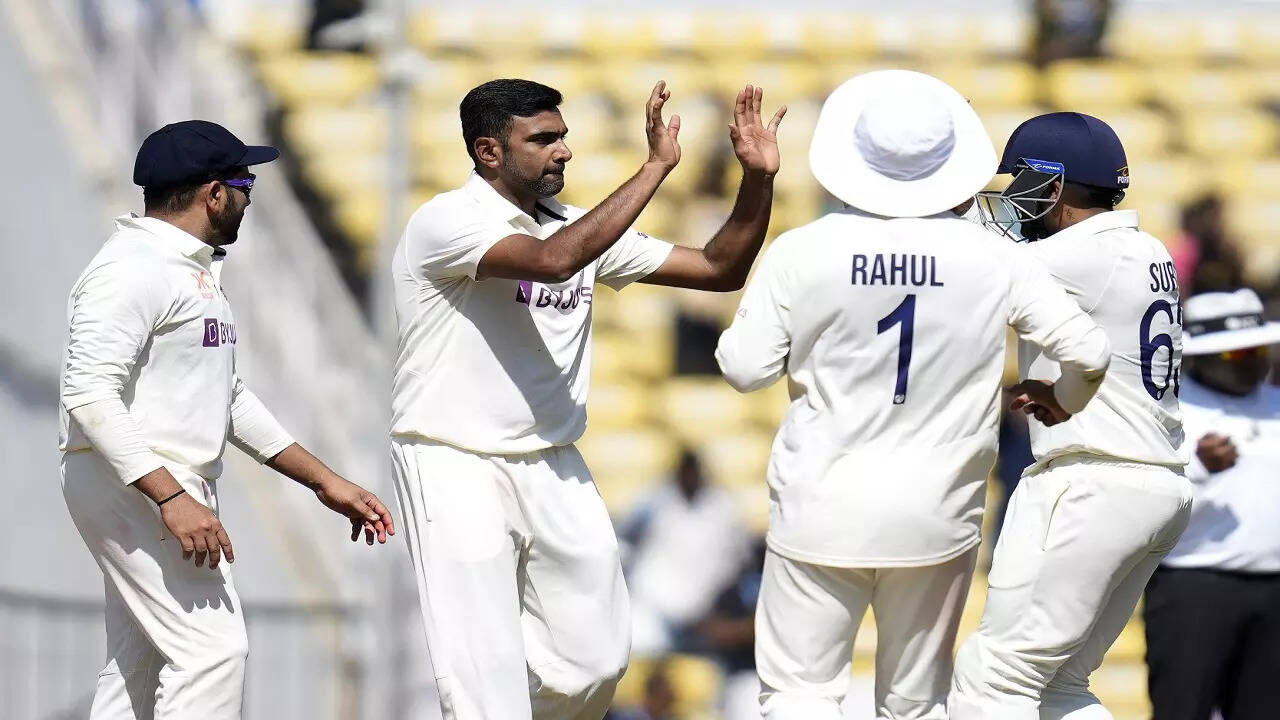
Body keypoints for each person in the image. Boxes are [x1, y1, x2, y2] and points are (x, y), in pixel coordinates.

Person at [714, 69, 1112, 720]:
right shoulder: (994, 256)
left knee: (798, 695)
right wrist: (1062, 399)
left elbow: (743, 369)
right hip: (939, 513)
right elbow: (1090, 353)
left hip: (820, 504)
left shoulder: (802, 249)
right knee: (918, 704)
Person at [387, 78, 785, 720]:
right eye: (543, 139)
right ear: (489, 151)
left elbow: (719, 269)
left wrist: (758, 180)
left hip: (553, 457)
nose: (564, 150)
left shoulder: (577, 227)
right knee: (484, 669)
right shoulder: (446, 220)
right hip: (453, 455)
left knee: (594, 664)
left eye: (564, 135)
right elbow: (552, 262)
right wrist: (655, 168)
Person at [59, 120, 396, 720]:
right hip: (142, 483)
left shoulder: (186, 269)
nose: (248, 198)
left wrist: (324, 481)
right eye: (245, 184)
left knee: (140, 664)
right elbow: (87, 394)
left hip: (152, 483)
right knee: (212, 652)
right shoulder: (133, 269)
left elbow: (227, 396)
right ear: (215, 193)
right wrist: (171, 498)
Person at [952, 112, 1192, 719]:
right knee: (1059, 688)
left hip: (1093, 479)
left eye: (1022, 182)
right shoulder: (1147, 248)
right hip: (1155, 482)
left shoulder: (1076, 255)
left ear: (1054, 185)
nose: (1012, 198)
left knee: (995, 680)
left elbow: (963, 266)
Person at [1143, 289, 1280, 720]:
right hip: (1194, 586)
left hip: (1274, 588)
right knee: (1184, 708)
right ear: (1200, 357)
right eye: (1233, 354)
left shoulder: (1276, 404)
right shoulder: (1168, 413)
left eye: (1257, 351)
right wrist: (1199, 468)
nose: (1251, 363)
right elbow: (1141, 502)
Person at [621, 449, 749, 657]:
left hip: (704, 617)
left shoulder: (723, 508)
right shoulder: (651, 503)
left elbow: (738, 562)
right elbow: (624, 550)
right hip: (652, 611)